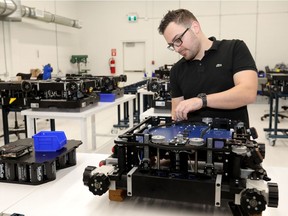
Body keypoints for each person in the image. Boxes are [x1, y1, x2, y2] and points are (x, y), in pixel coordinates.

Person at [158, 9, 258, 127]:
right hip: (193, 143)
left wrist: (201, 101)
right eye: (171, 45)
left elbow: (248, 93)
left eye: (178, 40)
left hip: (234, 141)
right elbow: (177, 116)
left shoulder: (234, 49)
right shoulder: (177, 70)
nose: (177, 49)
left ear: (195, 27)